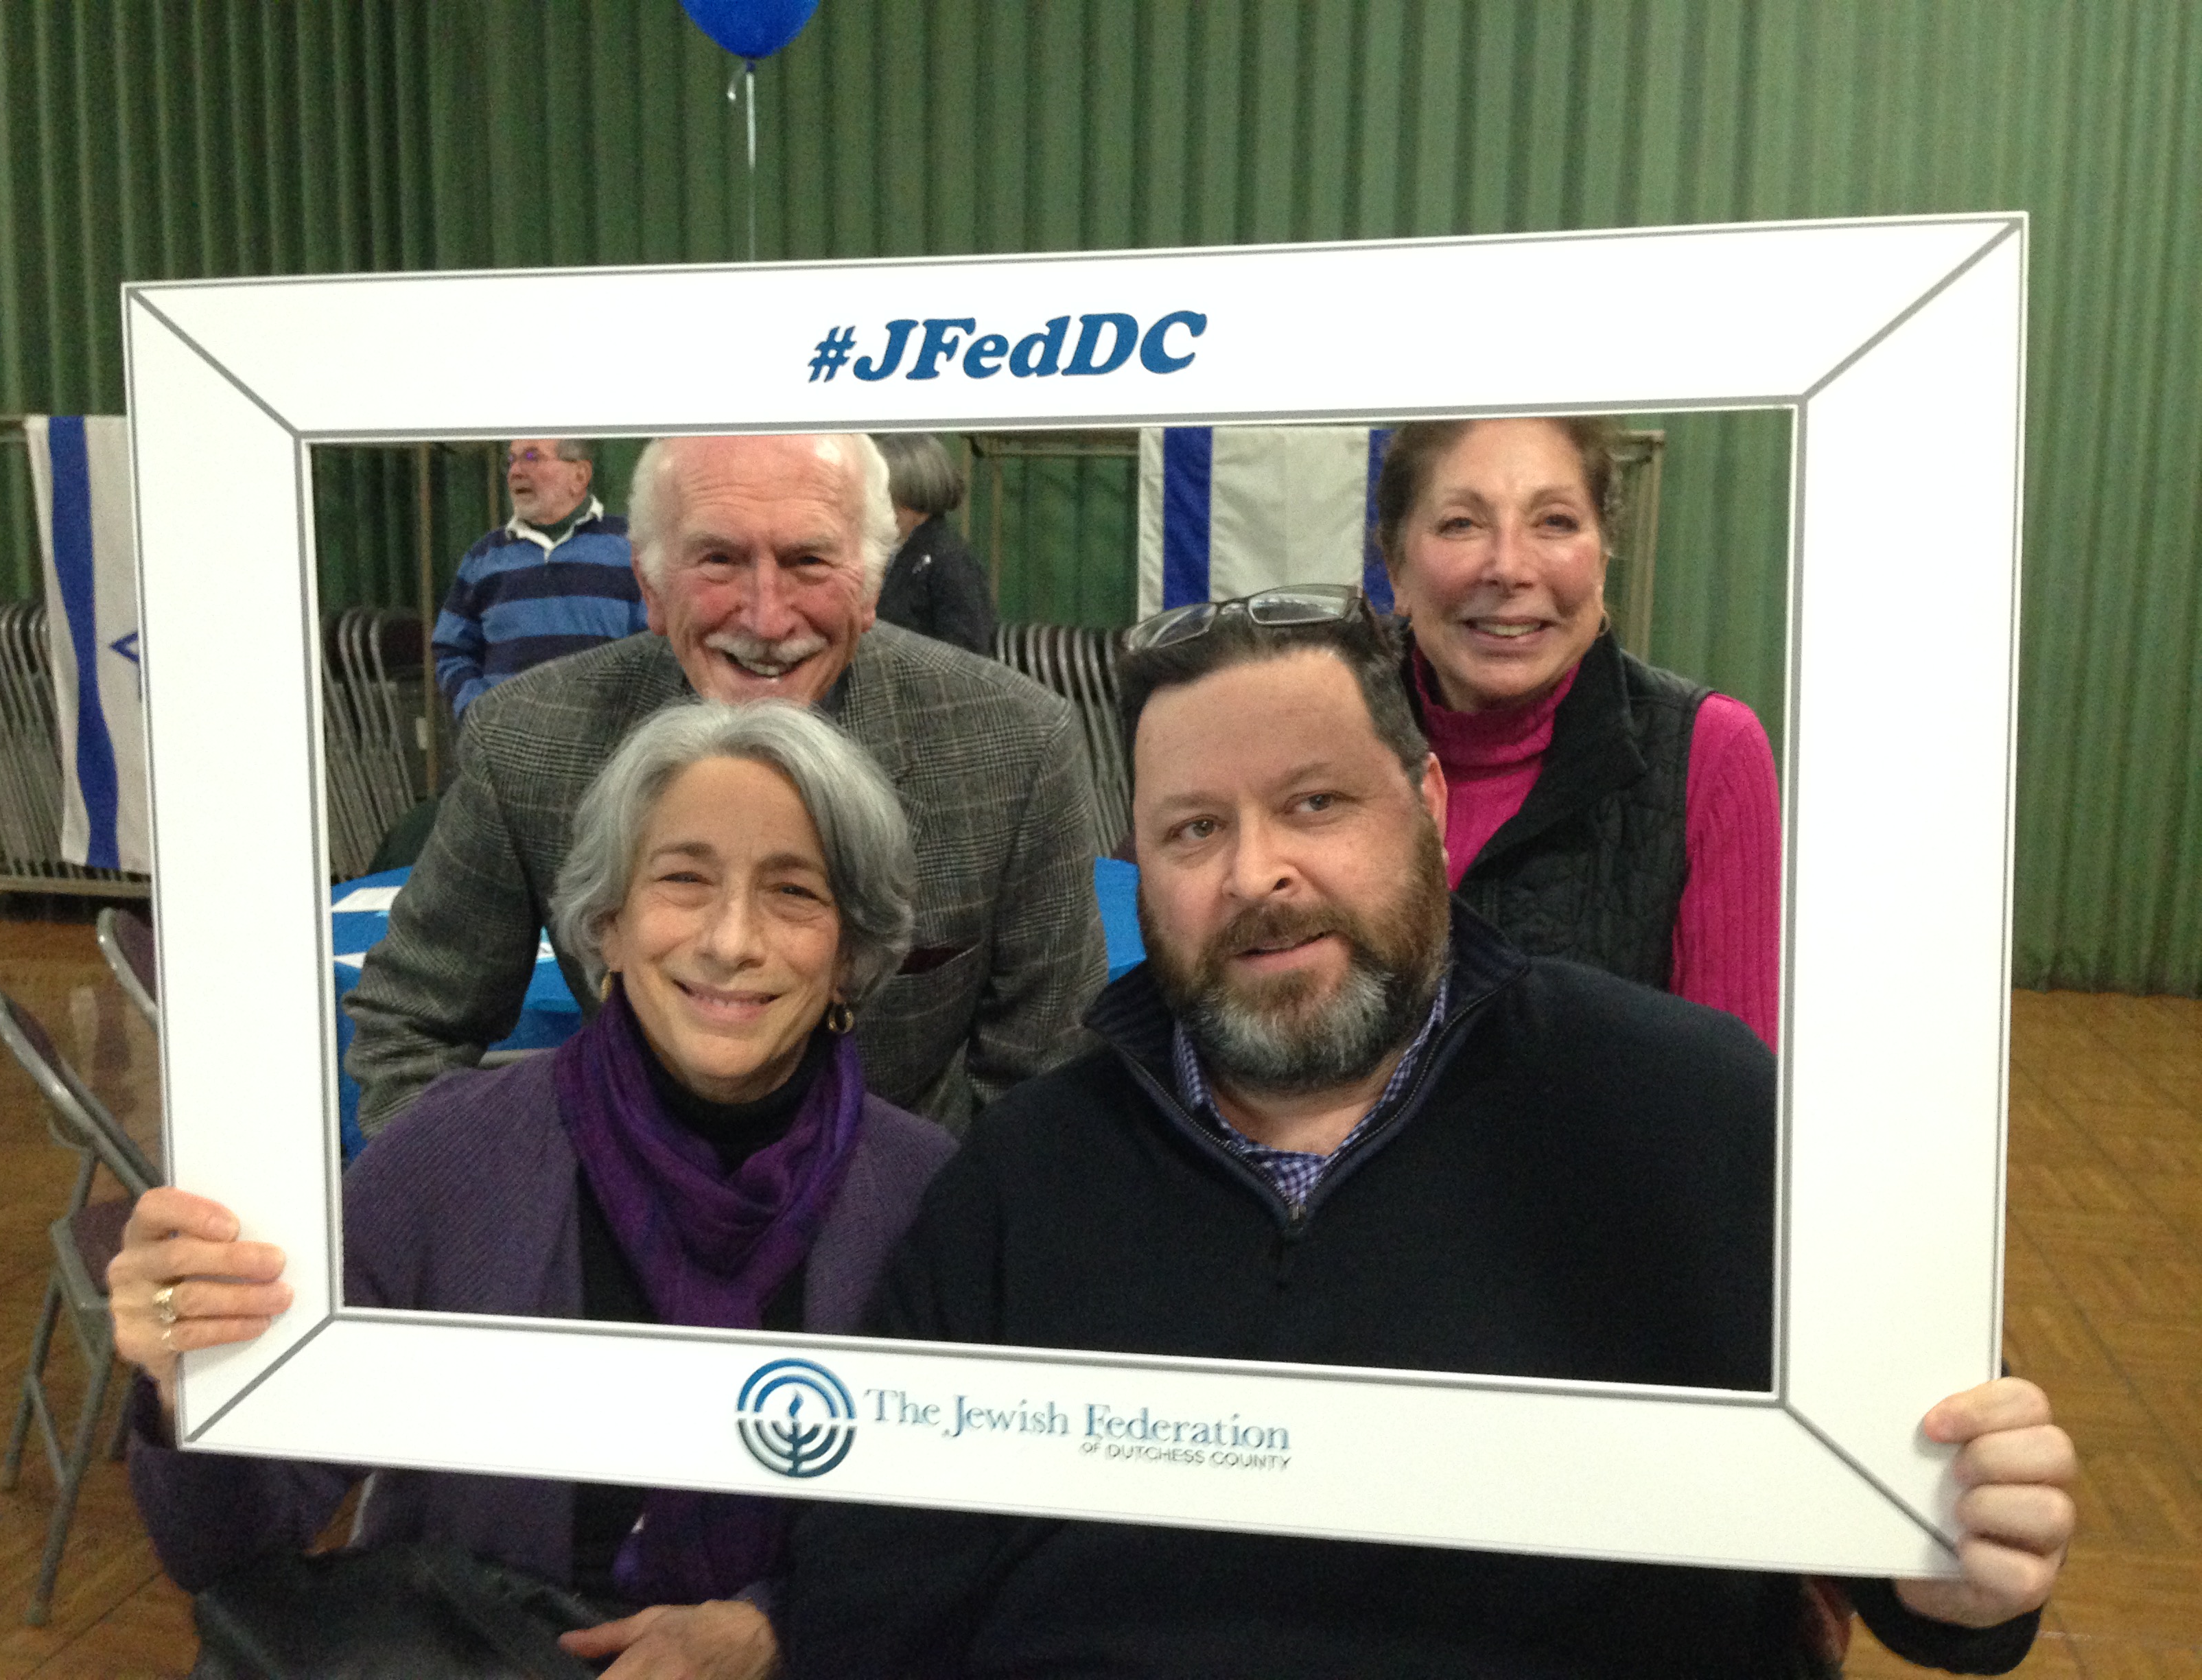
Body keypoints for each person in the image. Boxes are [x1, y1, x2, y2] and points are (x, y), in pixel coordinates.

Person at [780, 592, 2076, 1678]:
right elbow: (867, 1596)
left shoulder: (1684, 1107)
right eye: (1194, 828)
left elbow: (1928, 1518)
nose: (1255, 873)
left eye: (1314, 803)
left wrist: (1962, 1562)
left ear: (1429, 806)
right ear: (1137, 869)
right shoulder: (1027, 1174)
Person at [111, 700, 957, 1678]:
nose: (732, 940)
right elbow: (224, 1549)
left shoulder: (927, 1196)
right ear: (607, 924)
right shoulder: (449, 1159)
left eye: (794, 892)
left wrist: (776, 1629)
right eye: (683, 879)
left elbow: (951, 1539)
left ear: (850, 953)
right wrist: (188, 1383)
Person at [345, 432, 1104, 1139]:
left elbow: (1047, 1081)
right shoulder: (528, 738)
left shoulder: (1015, 744)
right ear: (650, 585)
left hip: (907, 1214)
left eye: (809, 560)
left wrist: (952, 1229)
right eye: (718, 559)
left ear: (871, 584)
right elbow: (411, 1022)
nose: (767, 619)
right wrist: (490, 1210)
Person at [1378, 416, 1782, 1045]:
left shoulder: (1710, 752)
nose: (1509, 568)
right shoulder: (1322, 738)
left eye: (1555, 522)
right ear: (1396, 568)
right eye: (1462, 523)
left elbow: (1734, 1091)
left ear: (1603, 557)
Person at [432, 439, 646, 716]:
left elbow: (658, 647)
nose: (515, 472)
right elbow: (451, 649)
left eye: (532, 457)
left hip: (609, 734)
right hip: (509, 735)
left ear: (579, 476)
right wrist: (477, 711)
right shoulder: (484, 557)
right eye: (510, 461)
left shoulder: (631, 548)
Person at [867, 433, 996, 654]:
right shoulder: (895, 551)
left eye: (883, 493)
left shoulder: (950, 561)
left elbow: (967, 653)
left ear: (909, 493)